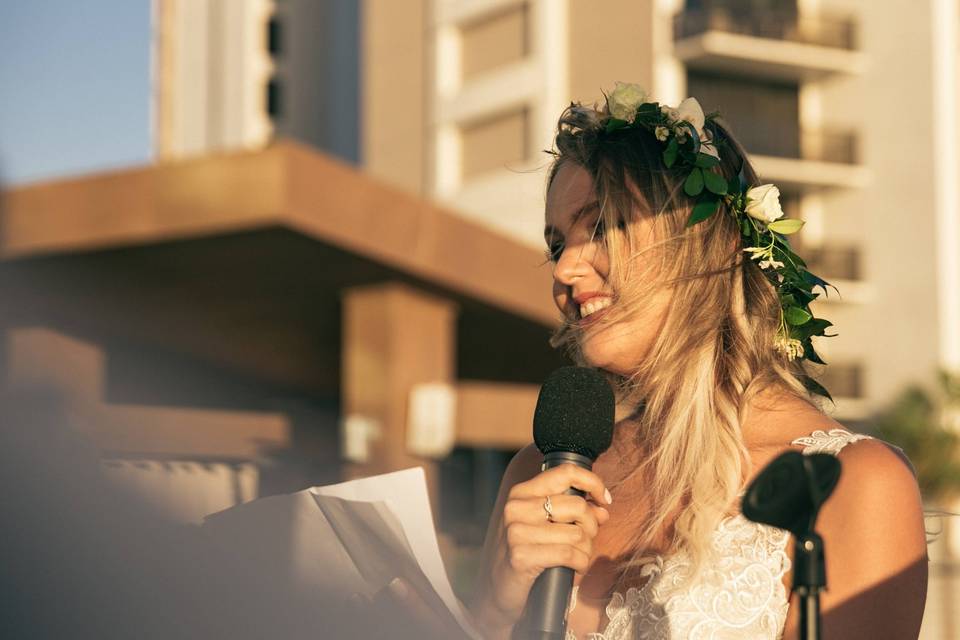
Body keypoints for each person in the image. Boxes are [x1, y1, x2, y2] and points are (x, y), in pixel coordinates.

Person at [466, 83, 928, 639]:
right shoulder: (545, 475)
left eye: (604, 227)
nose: (565, 272)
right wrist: (492, 609)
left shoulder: (850, 484)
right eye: (557, 243)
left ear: (706, 240)